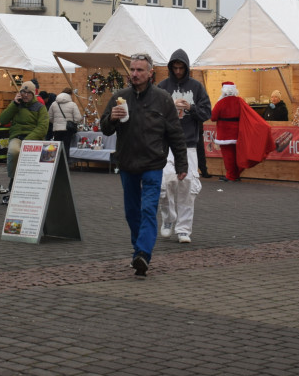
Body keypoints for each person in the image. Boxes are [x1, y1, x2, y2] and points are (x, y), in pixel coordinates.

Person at [100, 53, 187, 278]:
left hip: (152, 163)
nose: (135, 74)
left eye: (140, 70)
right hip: (127, 162)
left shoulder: (163, 99)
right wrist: (112, 118)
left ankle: (143, 254)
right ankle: (138, 249)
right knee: (132, 212)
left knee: (148, 208)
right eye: (133, 70)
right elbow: (105, 128)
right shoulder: (120, 97)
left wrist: (181, 163)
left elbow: (175, 134)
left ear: (150, 73)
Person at [155, 48, 212, 244]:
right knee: (164, 184)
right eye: (175, 68)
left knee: (187, 186)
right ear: (170, 68)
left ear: (186, 68)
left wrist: (191, 108)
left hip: (188, 144)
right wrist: (170, 106)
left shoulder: (196, 87)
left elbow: (206, 112)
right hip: (167, 144)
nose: (178, 71)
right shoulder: (162, 86)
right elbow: (153, 112)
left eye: (181, 68)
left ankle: (184, 229)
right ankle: (169, 218)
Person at [210, 82, 274, 182]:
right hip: (238, 133)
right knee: (238, 155)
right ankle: (235, 174)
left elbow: (213, 117)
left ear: (223, 91)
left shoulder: (220, 102)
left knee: (228, 157)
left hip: (225, 134)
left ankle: (231, 176)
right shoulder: (239, 100)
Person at [0, 82, 48, 191]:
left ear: (33, 94)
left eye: (29, 93)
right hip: (17, 136)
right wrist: (14, 104)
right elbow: (2, 120)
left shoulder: (40, 107)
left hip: (33, 138)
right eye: (23, 92)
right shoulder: (15, 105)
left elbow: (42, 128)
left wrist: (28, 140)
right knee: (13, 151)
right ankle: (13, 178)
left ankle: (36, 184)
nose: (25, 95)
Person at [47, 87, 83, 163]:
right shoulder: (72, 104)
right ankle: (65, 165)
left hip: (56, 129)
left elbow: (49, 117)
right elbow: (78, 118)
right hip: (68, 129)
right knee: (66, 147)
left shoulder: (54, 104)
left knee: (56, 148)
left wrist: (56, 122)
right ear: (70, 94)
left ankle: (56, 164)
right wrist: (72, 121)